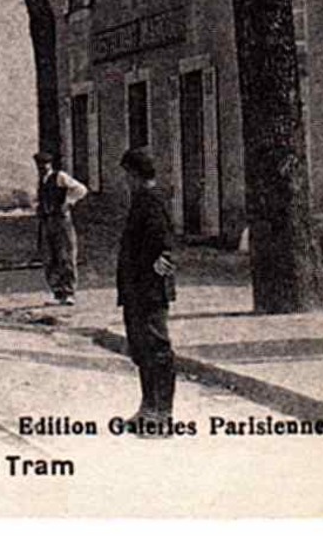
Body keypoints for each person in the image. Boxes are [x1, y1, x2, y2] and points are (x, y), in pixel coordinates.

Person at [117, 148, 178, 435]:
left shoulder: (152, 200)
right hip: (137, 288)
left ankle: (162, 414)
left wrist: (161, 266)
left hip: (149, 289)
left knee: (156, 348)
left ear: (134, 174)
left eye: (127, 175)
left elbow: (165, 242)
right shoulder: (143, 199)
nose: (125, 181)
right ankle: (148, 408)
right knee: (141, 349)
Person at [35, 151, 90, 305]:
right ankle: (57, 292)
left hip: (61, 220)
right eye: (39, 165)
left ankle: (69, 292)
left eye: (44, 165)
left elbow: (81, 189)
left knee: (65, 255)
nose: (41, 168)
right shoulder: (42, 180)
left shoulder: (60, 177)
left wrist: (69, 202)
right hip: (47, 221)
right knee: (49, 257)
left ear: (50, 164)